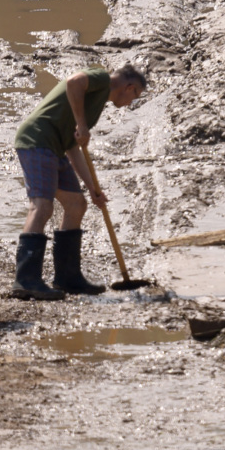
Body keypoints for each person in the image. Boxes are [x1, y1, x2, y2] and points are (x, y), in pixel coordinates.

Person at [13, 63, 147, 300]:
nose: (131, 103)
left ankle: (67, 278)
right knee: (42, 207)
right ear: (128, 87)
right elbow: (73, 82)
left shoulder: (96, 106)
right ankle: (26, 281)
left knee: (77, 204)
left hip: (57, 147)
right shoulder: (102, 80)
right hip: (37, 140)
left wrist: (93, 188)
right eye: (135, 96)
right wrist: (81, 124)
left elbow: (74, 146)